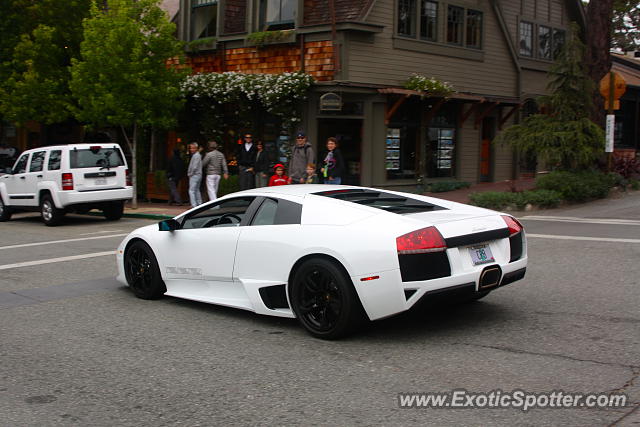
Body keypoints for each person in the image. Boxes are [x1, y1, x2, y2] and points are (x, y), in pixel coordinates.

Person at [187, 142, 203, 207]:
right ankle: (199, 204)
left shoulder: (196, 155)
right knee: (196, 190)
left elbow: (194, 167)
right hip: (198, 175)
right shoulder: (197, 155)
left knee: (191, 190)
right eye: (191, 148)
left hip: (195, 175)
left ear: (196, 148)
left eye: (193, 148)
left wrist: (190, 174)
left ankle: (194, 205)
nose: (191, 149)